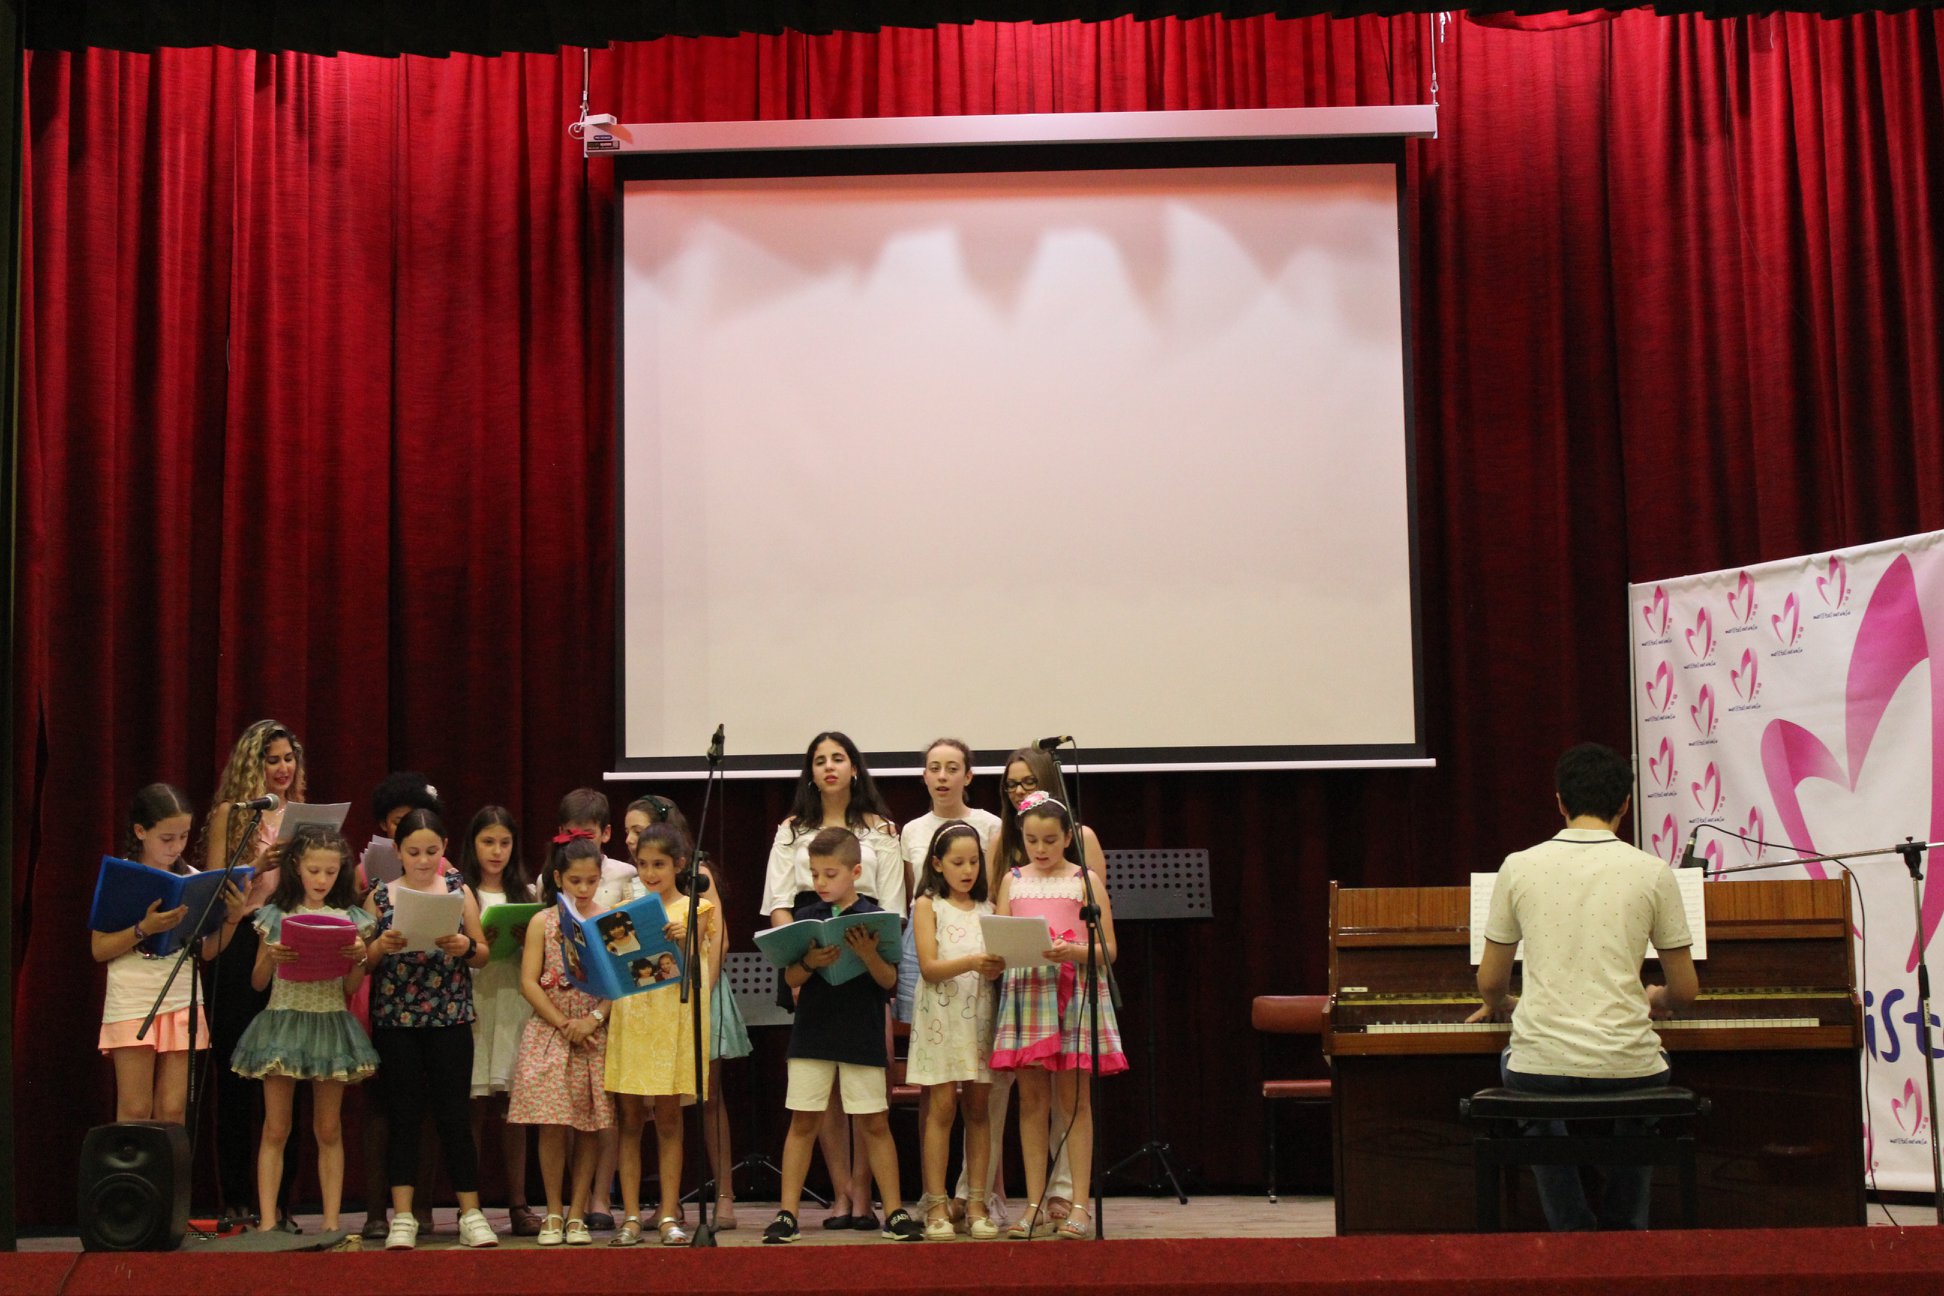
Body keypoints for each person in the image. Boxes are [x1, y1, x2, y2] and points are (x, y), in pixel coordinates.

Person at [1466, 741, 1699, 1232]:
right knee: (1643, 1093)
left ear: (1560, 802)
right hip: (1630, 1064)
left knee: (1523, 1080)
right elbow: (1685, 991)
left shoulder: (1519, 866)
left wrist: (1505, 1002)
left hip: (1540, 1066)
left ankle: (1571, 1227)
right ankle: (1625, 1228)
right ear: (1625, 805)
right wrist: (1655, 997)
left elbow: (1489, 982)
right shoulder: (1652, 872)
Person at [759, 731, 901, 1229]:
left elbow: (893, 903)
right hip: (809, 946)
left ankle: (866, 1194)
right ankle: (841, 1191)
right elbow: (778, 900)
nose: (829, 767)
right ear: (811, 772)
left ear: (854, 767)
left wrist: (874, 950)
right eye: (819, 760)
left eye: (838, 758)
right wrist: (796, 958)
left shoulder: (881, 829)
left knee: (866, 1085)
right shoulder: (792, 830)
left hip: (866, 947)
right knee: (817, 1092)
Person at [762, 829, 922, 1244]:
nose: (821, 882)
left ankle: (895, 1212)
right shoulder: (806, 918)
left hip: (861, 1030)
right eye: (815, 874)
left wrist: (867, 953)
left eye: (830, 874)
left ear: (856, 872)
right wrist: (810, 962)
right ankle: (787, 1214)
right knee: (803, 1120)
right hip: (813, 1030)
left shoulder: (876, 917)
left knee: (874, 1122)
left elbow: (888, 980)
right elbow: (791, 978)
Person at [229, 824, 379, 1234]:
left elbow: (350, 988)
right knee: (276, 1127)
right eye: (314, 870)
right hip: (282, 1020)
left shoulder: (349, 918)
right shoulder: (277, 914)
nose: (322, 880)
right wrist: (272, 957)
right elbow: (257, 982)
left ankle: (331, 1222)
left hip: (329, 1022)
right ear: (296, 866)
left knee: (328, 1128)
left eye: (330, 872)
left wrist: (358, 958)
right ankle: (267, 1221)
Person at [990, 791, 1125, 1241]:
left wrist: (1073, 951)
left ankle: (1079, 1204)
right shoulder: (1013, 880)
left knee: (1074, 1102)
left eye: (1050, 840)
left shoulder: (1084, 880)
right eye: (1032, 841)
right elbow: (999, 939)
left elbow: (1109, 950)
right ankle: (1034, 1204)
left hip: (1074, 992)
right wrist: (997, 956)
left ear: (1068, 837)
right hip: (1028, 993)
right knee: (1031, 1102)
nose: (1041, 849)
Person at [362, 809, 498, 1250]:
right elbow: (361, 962)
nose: (423, 861)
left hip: (449, 1016)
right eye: (414, 852)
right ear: (397, 851)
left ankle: (471, 1213)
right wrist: (380, 946)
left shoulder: (459, 890)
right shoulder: (380, 896)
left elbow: (482, 953)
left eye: (432, 851)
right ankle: (403, 1216)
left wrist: (464, 946)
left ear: (444, 849)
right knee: (403, 1116)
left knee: (454, 1116)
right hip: (396, 1019)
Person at [200, 720, 306, 1231]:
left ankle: (281, 1202)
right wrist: (258, 865)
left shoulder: (300, 815)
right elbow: (214, 886)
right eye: (273, 759)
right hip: (241, 941)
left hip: (289, 939)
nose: (283, 768)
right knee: (238, 1073)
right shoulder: (233, 813)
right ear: (252, 763)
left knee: (287, 1073)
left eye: (289, 758)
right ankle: (237, 1197)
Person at [627, 794, 749, 1230]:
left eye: (638, 830)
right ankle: (668, 1204)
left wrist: (701, 993)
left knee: (708, 1096)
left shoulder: (698, 876)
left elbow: (719, 940)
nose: (631, 840)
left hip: (698, 992)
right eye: (629, 833)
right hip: (652, 1003)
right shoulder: (635, 885)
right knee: (656, 1104)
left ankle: (724, 1195)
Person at [93, 784, 248, 1125]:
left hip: (180, 996)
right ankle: (132, 1164)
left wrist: (232, 919)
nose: (176, 846)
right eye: (167, 838)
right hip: (133, 996)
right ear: (140, 831)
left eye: (183, 836)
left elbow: (208, 952)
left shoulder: (193, 880)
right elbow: (99, 949)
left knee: (173, 1111)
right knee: (135, 1111)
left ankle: (170, 1165)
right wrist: (144, 928)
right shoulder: (122, 877)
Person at [605, 823, 714, 1246]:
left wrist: (685, 942)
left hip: (671, 1020)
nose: (650, 873)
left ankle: (669, 1213)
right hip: (634, 1018)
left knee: (669, 1120)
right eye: (644, 864)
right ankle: (631, 1215)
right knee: (630, 1121)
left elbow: (697, 969)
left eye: (659, 865)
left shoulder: (696, 909)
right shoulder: (625, 910)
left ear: (679, 865)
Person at [354, 771, 445, 1242]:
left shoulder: (445, 872)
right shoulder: (369, 873)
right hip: (379, 995)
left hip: (432, 998)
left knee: (425, 1105)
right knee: (380, 1104)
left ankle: (421, 1205)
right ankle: (376, 1209)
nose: (405, 827)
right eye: (396, 821)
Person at [508, 836, 612, 1246]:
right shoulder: (543, 922)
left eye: (591, 881)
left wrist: (593, 1019)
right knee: (552, 1123)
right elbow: (529, 982)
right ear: (557, 878)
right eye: (575, 881)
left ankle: (577, 1212)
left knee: (588, 1125)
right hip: (551, 1031)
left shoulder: (609, 920)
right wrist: (563, 1023)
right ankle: (553, 1211)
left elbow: (620, 983)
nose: (583, 889)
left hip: (593, 1032)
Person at [908, 822, 1005, 1239]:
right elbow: (929, 967)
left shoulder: (989, 908)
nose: (967, 870)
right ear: (937, 864)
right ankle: (936, 1204)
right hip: (940, 1019)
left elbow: (999, 962)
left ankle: (977, 1202)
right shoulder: (928, 905)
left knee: (979, 1109)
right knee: (942, 1107)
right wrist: (971, 963)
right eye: (957, 862)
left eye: (973, 862)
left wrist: (996, 967)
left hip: (979, 1015)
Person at [558, 787, 636, 1229]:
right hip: (568, 1004)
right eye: (571, 836)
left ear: (606, 834)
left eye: (587, 835)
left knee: (606, 1108)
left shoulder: (625, 874)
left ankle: (602, 1196)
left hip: (610, 1001)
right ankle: (577, 1196)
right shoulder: (552, 876)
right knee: (573, 1108)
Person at [462, 806, 540, 1237]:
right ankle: (469, 1206)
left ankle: (518, 1203)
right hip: (474, 999)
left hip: (512, 1000)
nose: (496, 851)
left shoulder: (525, 893)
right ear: (473, 844)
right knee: (472, 1106)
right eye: (488, 842)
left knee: (515, 1108)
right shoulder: (460, 891)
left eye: (504, 843)